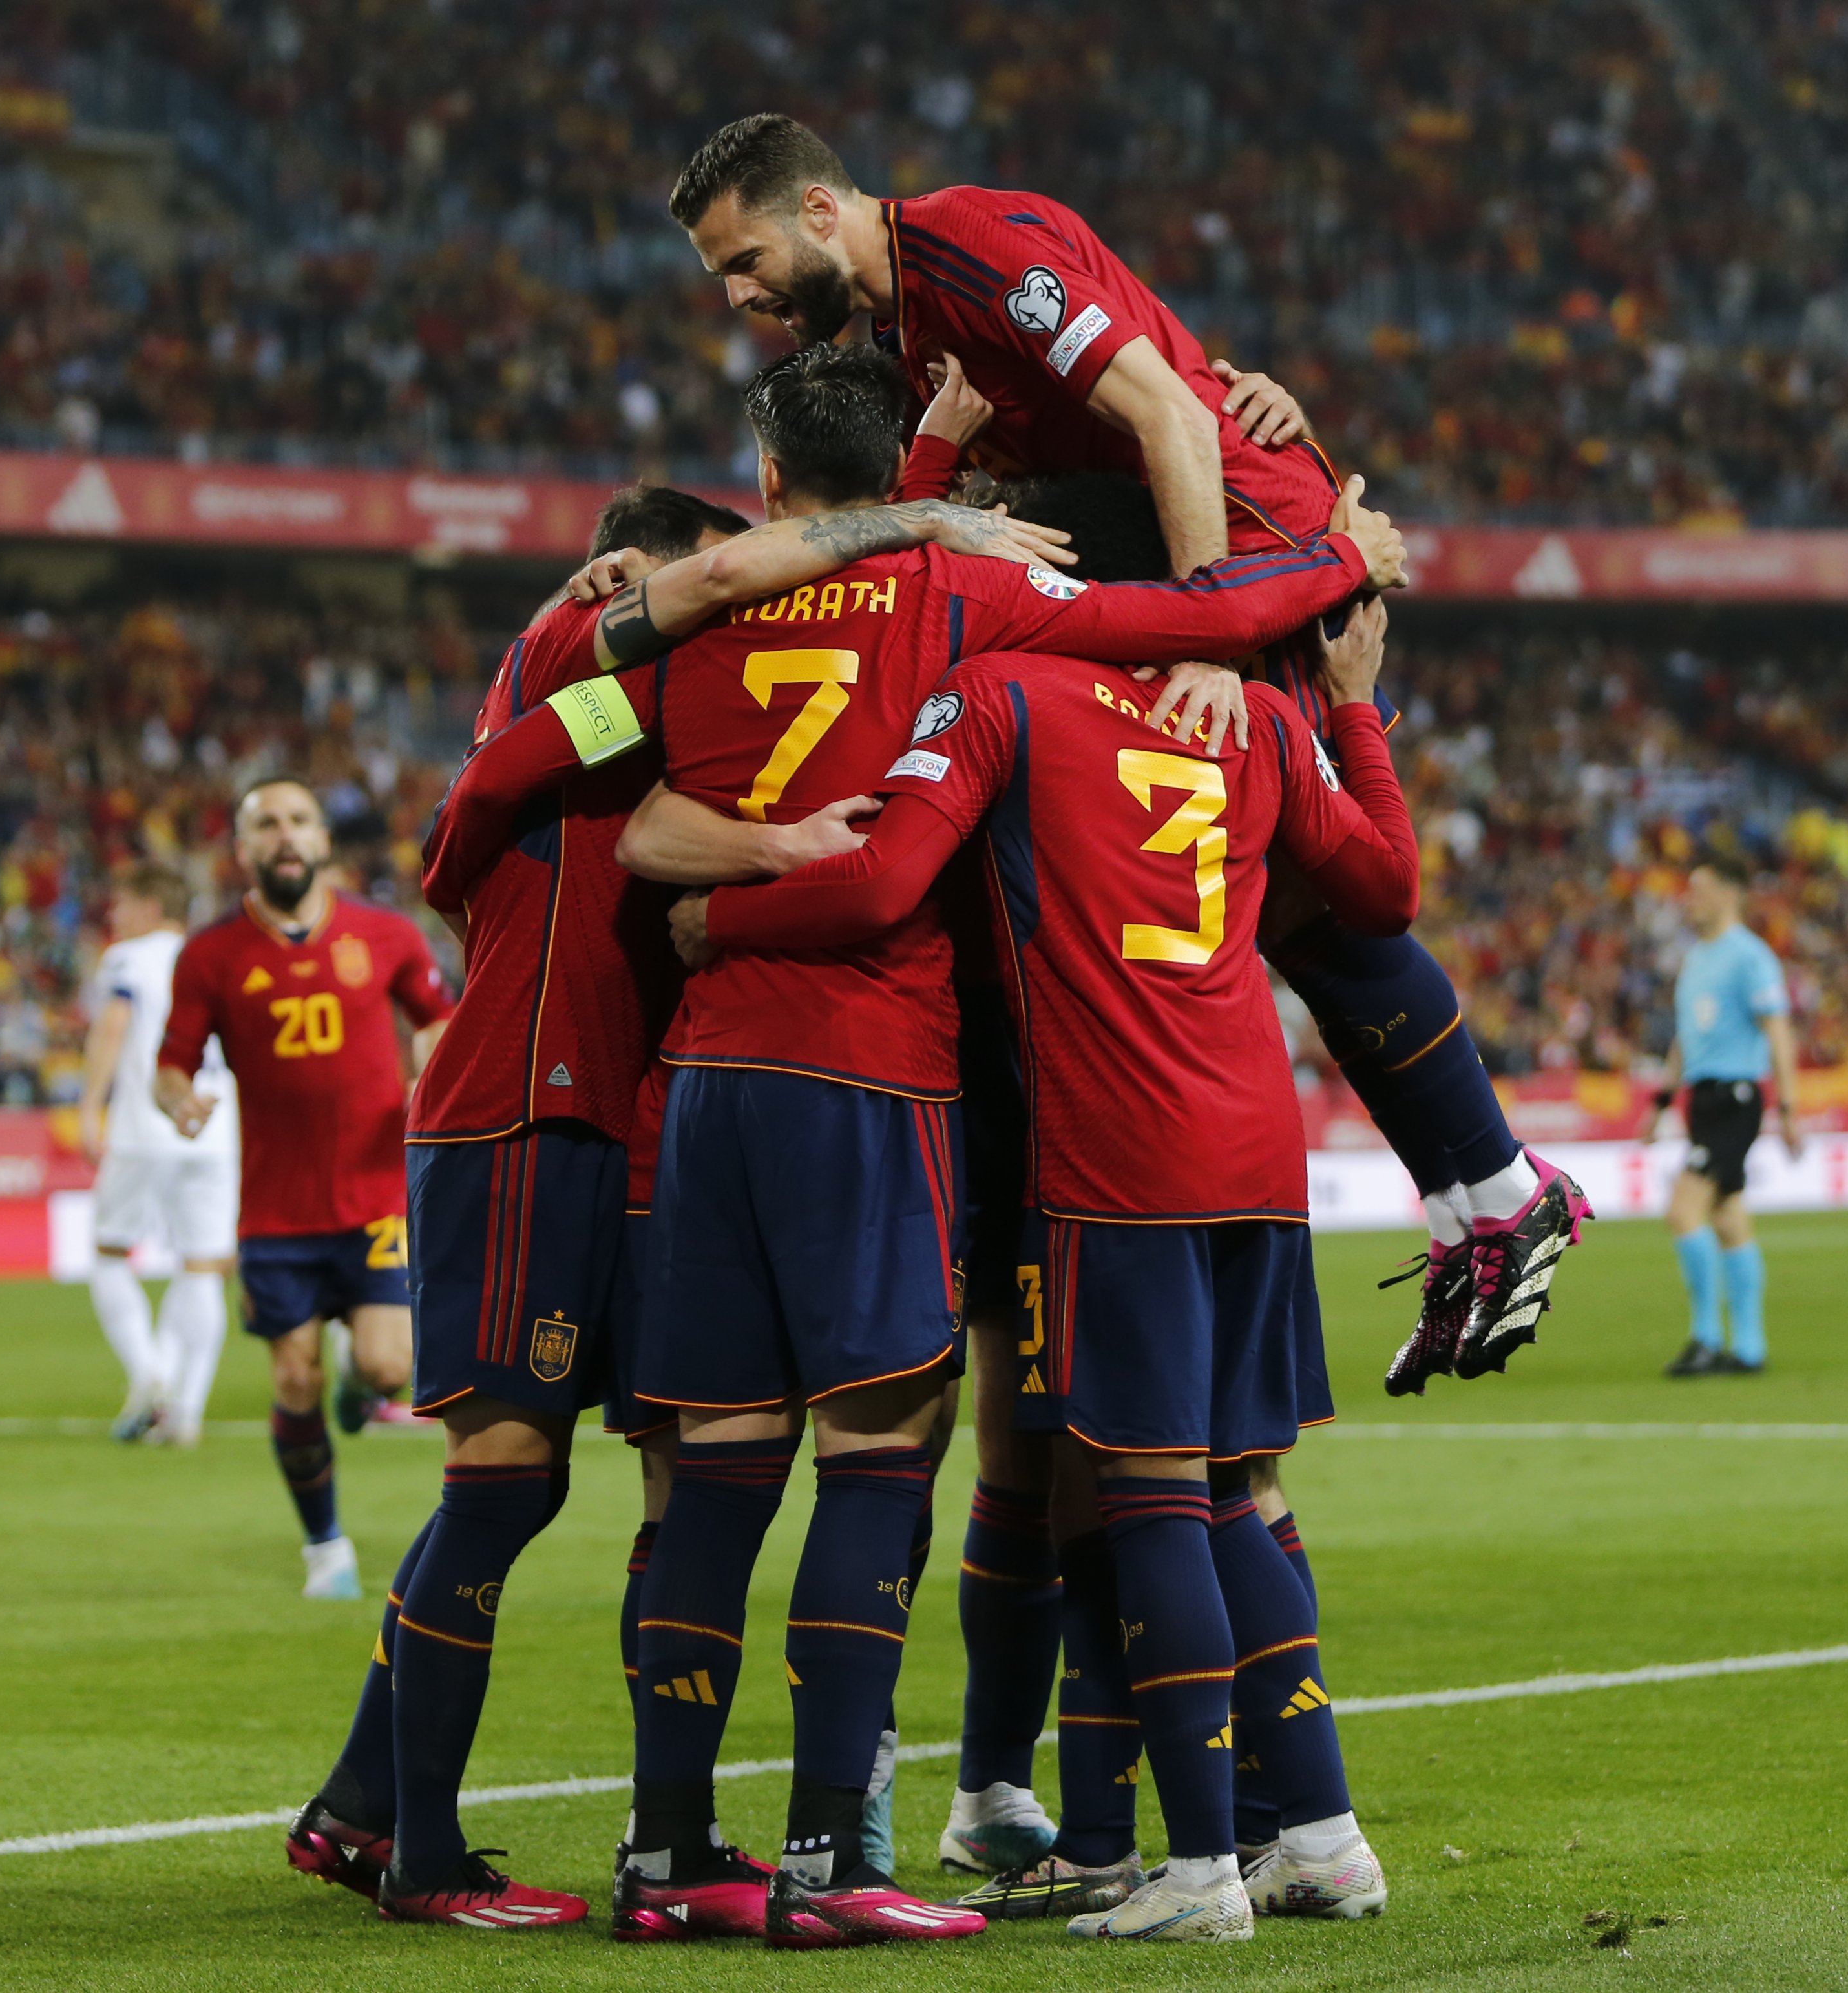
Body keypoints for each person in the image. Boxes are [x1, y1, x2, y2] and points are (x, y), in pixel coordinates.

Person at [428, 340, 1403, 1948]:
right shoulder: (978, 609)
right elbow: (1202, 619)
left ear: (762, 486)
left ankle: (669, 1850)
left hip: (700, 1084)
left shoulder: (698, 613)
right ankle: (831, 1858)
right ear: (907, 474)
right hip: (878, 1079)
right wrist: (1334, 558)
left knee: (711, 1476)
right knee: (885, 1457)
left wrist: (720, 866)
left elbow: (592, 804)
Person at [664, 111, 1582, 1405]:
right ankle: (1473, 1194)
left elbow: (1166, 415)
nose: (738, 295)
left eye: (739, 259)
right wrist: (1224, 388)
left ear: (820, 213)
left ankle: (1497, 1187)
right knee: (1275, 904)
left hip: (1253, 557)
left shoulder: (968, 246)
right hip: (1198, 550)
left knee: (1323, 897)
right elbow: (1141, 388)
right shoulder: (925, 322)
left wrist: (1215, 627)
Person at [284, 479, 1095, 1933]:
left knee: (671, 1476)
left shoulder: (674, 696)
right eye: (714, 586)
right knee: (507, 1477)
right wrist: (782, 841)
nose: (739, 612)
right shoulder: (598, 674)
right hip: (539, 1105)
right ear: (633, 575)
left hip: (645, 1115)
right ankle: (416, 1852)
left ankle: (423, 1811)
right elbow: (471, 808)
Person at [675, 587, 1420, 1940]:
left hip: (1120, 1146)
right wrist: (1355, 706)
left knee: (1147, 1499)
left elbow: (887, 876)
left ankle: (1197, 1871)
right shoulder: (1250, 713)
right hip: (1259, 1148)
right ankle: (1322, 1837)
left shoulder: (1008, 691)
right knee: (1237, 1488)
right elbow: (1385, 889)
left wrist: (713, 927)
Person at [156, 782, 454, 1598]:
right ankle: (325, 1547)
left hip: (374, 1197)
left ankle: (365, 1387)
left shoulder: (385, 935)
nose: (283, 837)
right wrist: (182, 1102)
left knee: (390, 1365)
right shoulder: (211, 956)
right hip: (276, 1212)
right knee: (292, 1382)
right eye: (265, 825)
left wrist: (434, 1055)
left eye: (296, 821)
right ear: (243, 850)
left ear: (323, 839)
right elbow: (170, 1066)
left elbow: (436, 1018)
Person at [76, 863, 235, 1446]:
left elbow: (113, 1026)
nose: (114, 916)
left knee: (110, 1253)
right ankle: (186, 1409)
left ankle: (148, 1375)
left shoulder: (128, 957)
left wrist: (92, 1103)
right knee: (202, 1266)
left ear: (148, 907)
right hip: (216, 1127)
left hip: (146, 1126)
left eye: (122, 904)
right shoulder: (216, 953)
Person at [1648, 865, 1801, 1377]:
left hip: (1736, 1096)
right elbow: (1684, 1039)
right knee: (1728, 1218)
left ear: (1729, 893)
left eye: (1700, 891)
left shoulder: (1750, 956)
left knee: (1682, 1210)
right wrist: (1661, 1102)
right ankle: (1750, 1349)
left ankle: (1707, 1339)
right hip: (1703, 1098)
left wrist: (1788, 1107)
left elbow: (1777, 1031)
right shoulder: (1695, 959)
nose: (1689, 900)